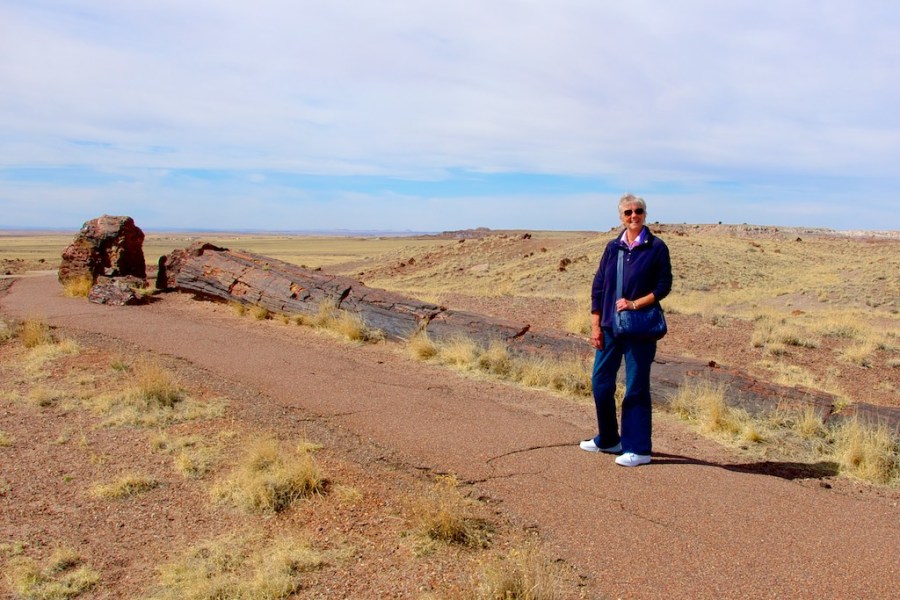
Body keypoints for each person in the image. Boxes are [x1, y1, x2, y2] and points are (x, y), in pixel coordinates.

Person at [579, 193, 672, 466]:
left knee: (636, 386)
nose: (634, 216)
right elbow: (598, 287)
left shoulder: (656, 247)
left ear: (645, 214)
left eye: (638, 211)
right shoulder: (613, 247)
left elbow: (663, 286)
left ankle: (638, 449)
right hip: (609, 326)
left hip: (639, 328)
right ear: (621, 217)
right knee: (600, 382)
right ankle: (609, 439)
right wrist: (596, 325)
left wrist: (634, 304)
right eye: (628, 212)